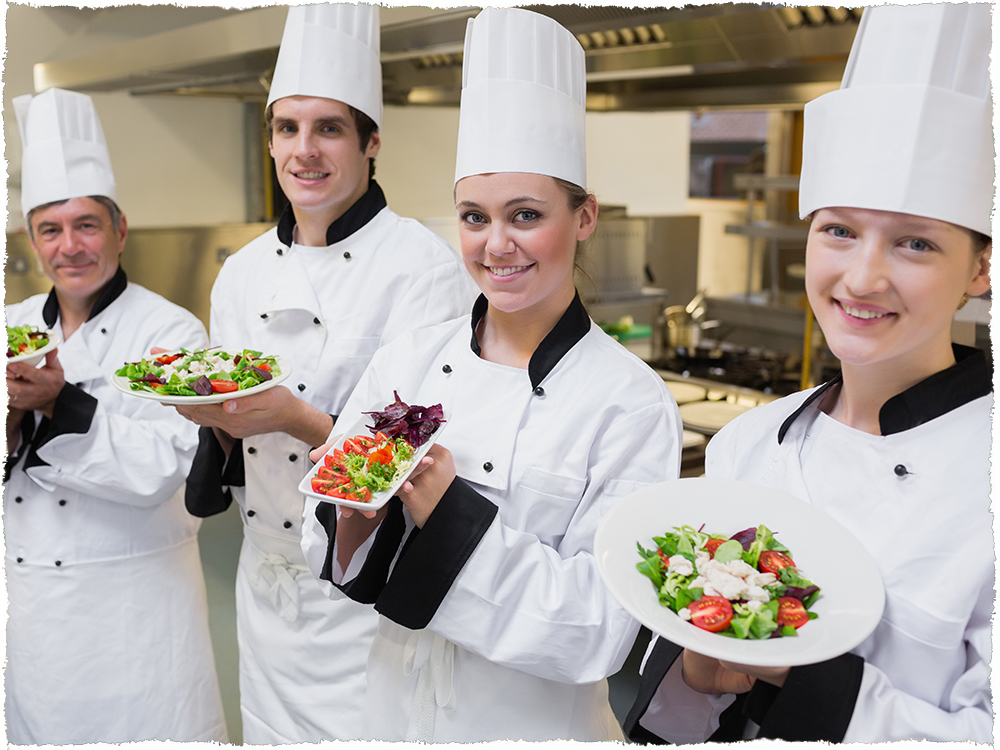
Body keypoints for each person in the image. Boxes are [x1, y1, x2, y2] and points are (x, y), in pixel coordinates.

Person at [299, 7, 683, 742]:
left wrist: (448, 515)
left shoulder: (629, 403)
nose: (496, 245)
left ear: (585, 217)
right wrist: (353, 519)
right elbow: (327, 550)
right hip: (392, 716)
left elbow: (602, 628)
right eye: (474, 217)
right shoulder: (408, 359)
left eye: (526, 215)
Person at [624, 4, 993, 743]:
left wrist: (805, 676)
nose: (862, 278)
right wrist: (702, 673)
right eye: (839, 231)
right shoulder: (748, 446)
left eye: (915, 243)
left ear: (981, 268)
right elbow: (696, 718)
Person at [175, 4, 475, 743]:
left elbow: (414, 457)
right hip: (264, 576)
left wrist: (292, 416)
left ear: (372, 142)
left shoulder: (423, 269)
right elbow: (229, 425)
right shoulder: (240, 273)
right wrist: (212, 419)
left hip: (364, 587)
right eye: (287, 128)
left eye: (329, 129)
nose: (304, 151)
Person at [4, 87, 227, 744]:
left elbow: (169, 465)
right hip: (36, 620)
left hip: (140, 617)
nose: (70, 246)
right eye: (51, 229)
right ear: (32, 240)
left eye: (87, 225)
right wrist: (13, 422)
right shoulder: (10, 328)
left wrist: (56, 402)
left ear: (120, 230)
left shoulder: (173, 332)